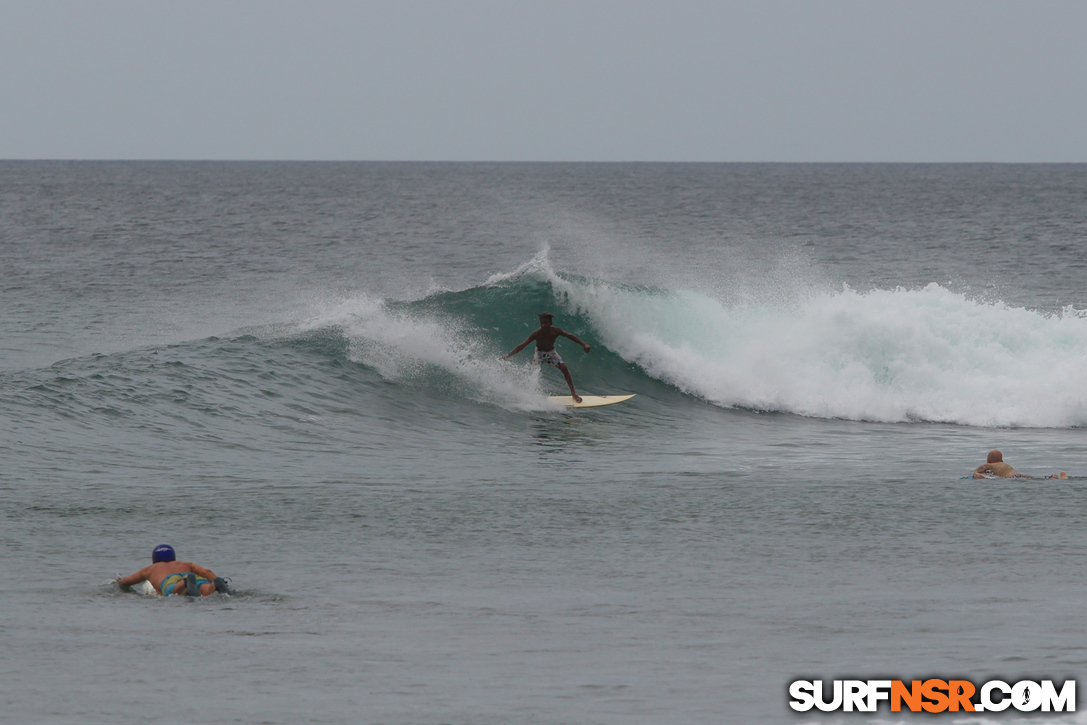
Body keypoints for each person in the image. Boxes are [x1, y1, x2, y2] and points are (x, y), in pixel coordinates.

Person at [502, 312, 591, 403]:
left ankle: (574, 394)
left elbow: (570, 336)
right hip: (539, 355)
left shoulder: (556, 331)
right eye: (542, 323)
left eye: (546, 323)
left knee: (564, 368)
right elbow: (522, 345)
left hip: (551, 354)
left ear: (550, 324)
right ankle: (530, 396)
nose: (543, 325)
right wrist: (508, 355)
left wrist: (584, 344)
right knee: (535, 375)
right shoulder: (537, 334)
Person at [116, 544, 229, 596]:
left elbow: (128, 581)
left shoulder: (151, 569)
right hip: (193, 576)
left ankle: (185, 584)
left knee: (174, 589)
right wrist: (214, 578)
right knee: (205, 589)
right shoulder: (185, 564)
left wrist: (119, 581)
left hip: (171, 580)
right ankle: (215, 585)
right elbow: (206, 572)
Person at [972, 450, 1067, 479]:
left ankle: (1054, 478)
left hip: (1013, 478)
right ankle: (1056, 477)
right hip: (1020, 475)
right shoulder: (1004, 465)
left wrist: (976, 472)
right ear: (1002, 459)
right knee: (1038, 480)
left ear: (989, 460)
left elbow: (983, 467)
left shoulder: (993, 465)